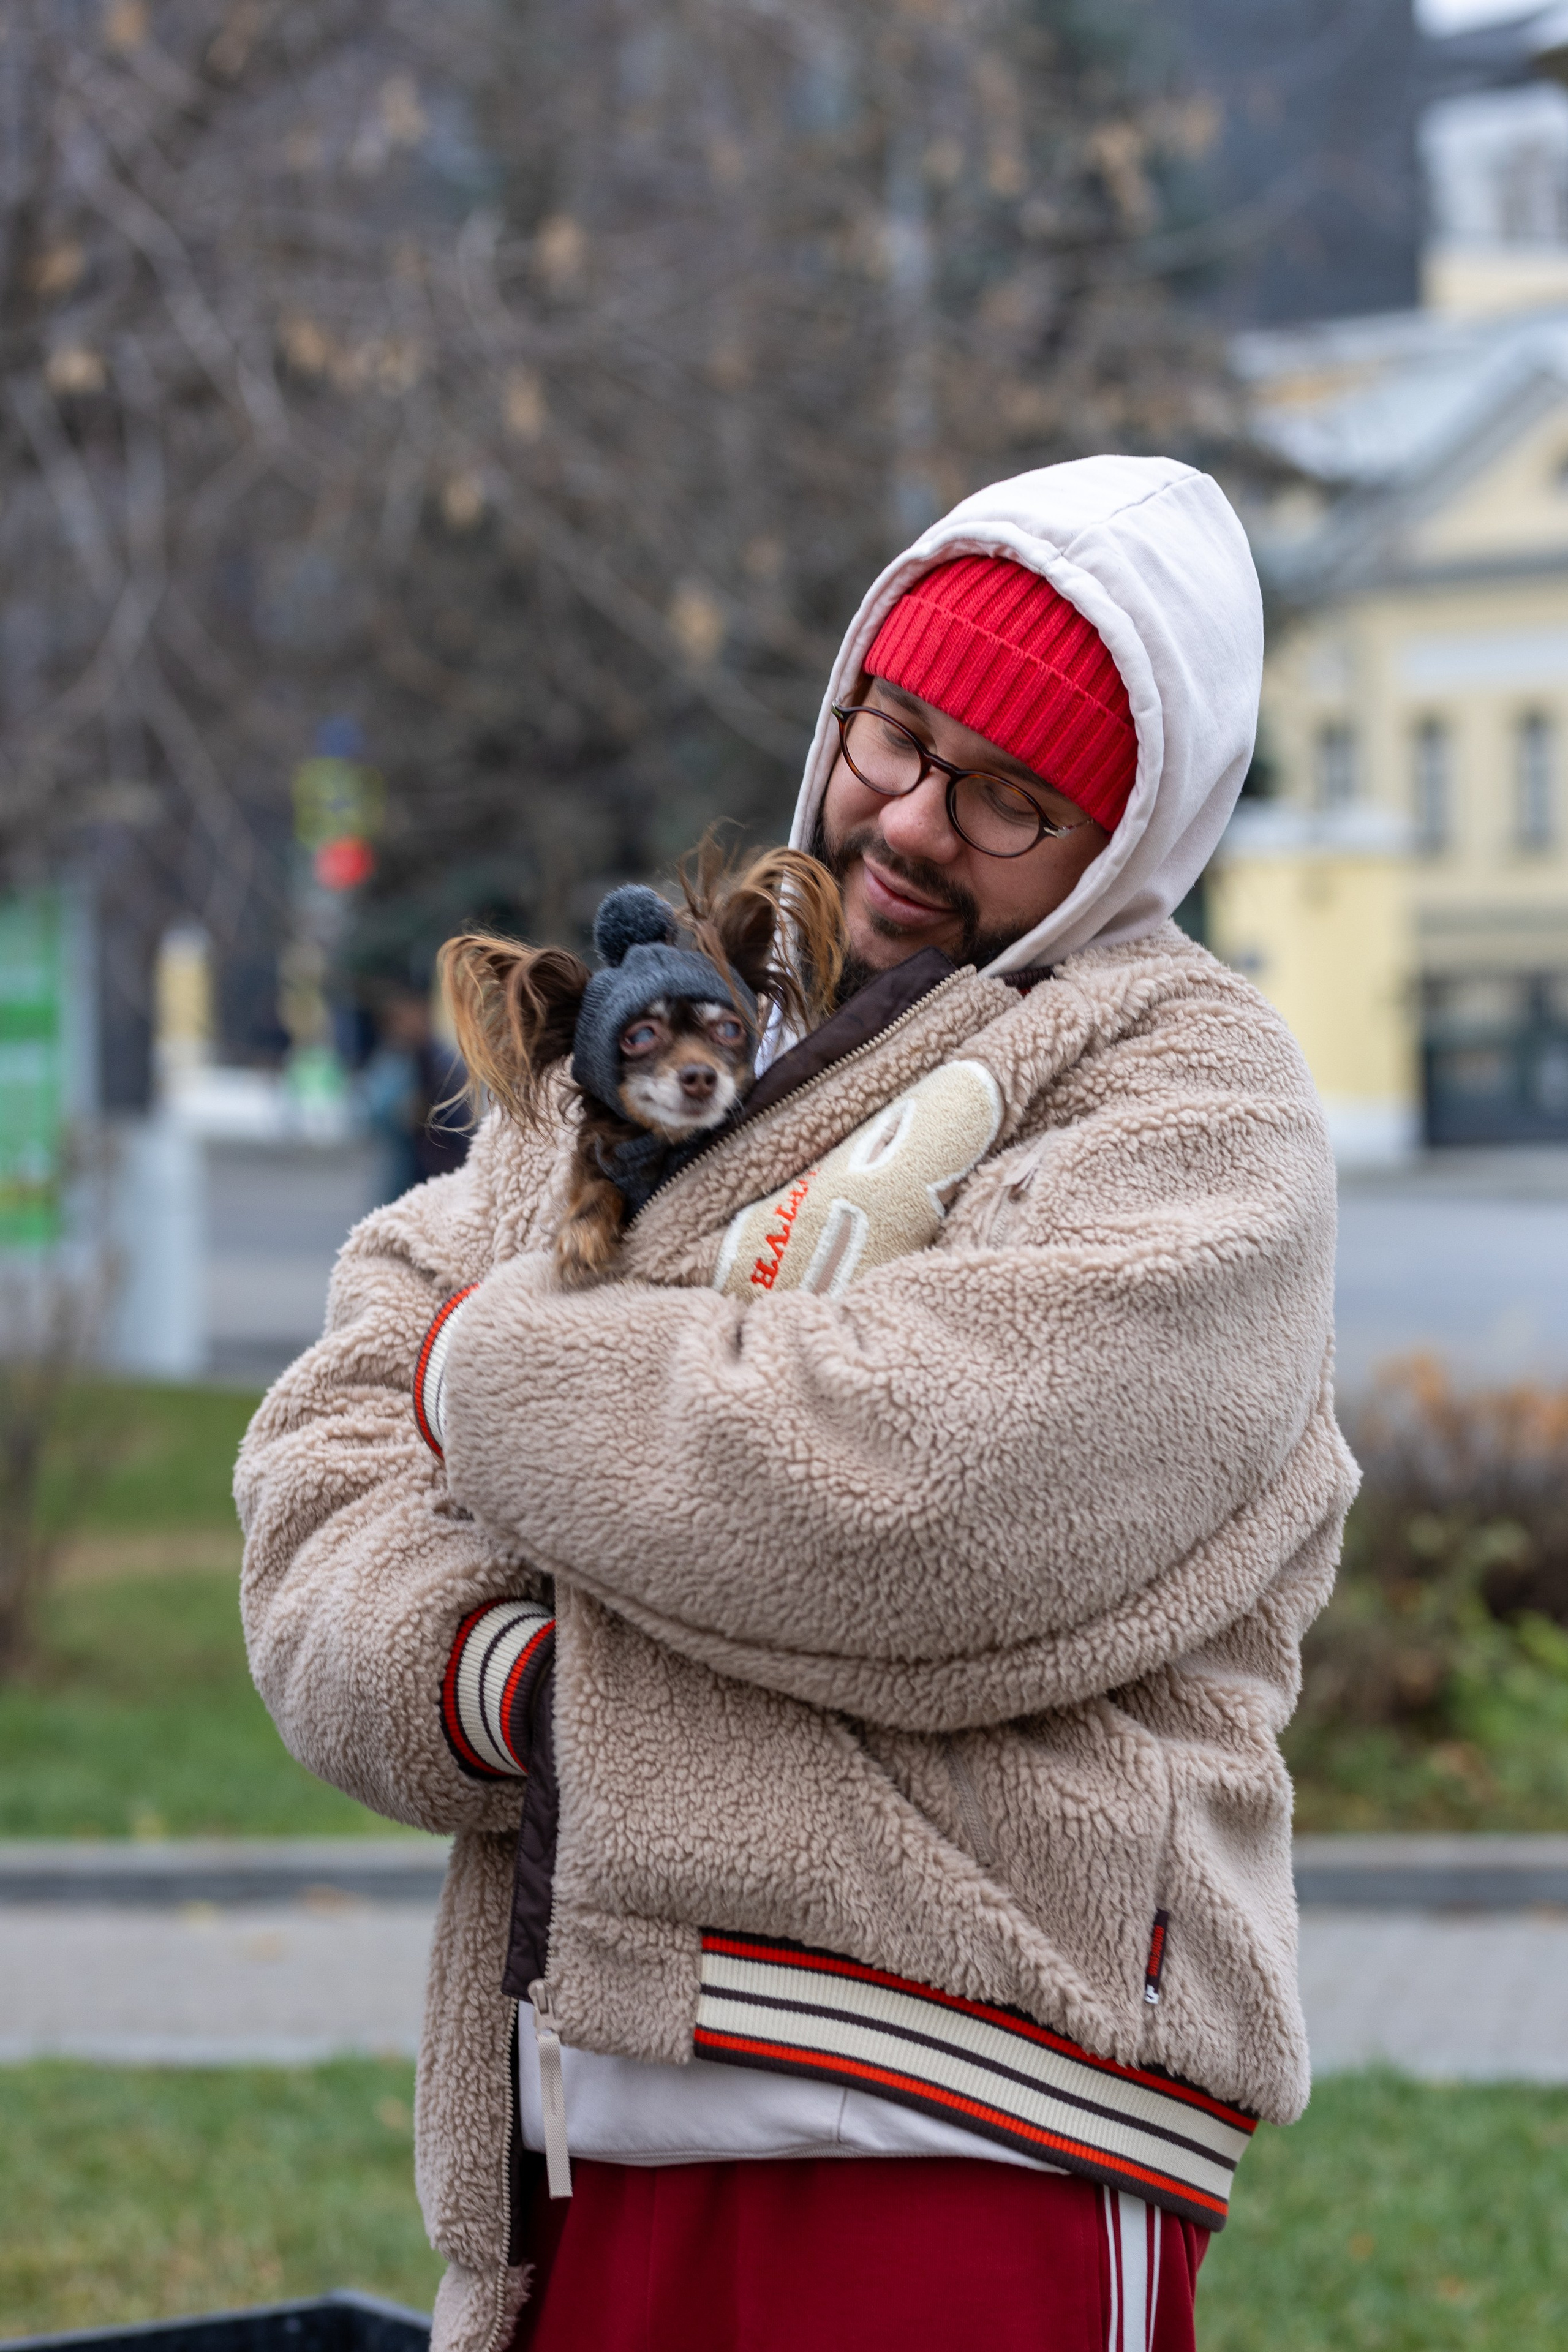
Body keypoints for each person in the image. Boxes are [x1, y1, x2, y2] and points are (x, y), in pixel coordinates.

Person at [236, 456, 1356, 2352]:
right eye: (891, 736)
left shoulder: (1195, 1103)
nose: (911, 821)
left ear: (1129, 832)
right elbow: (319, 1469)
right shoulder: (674, 1026)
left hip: (978, 2128)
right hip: (588, 2132)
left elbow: (919, 1489)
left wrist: (486, 1376)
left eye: (1009, 795)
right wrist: (516, 1693)